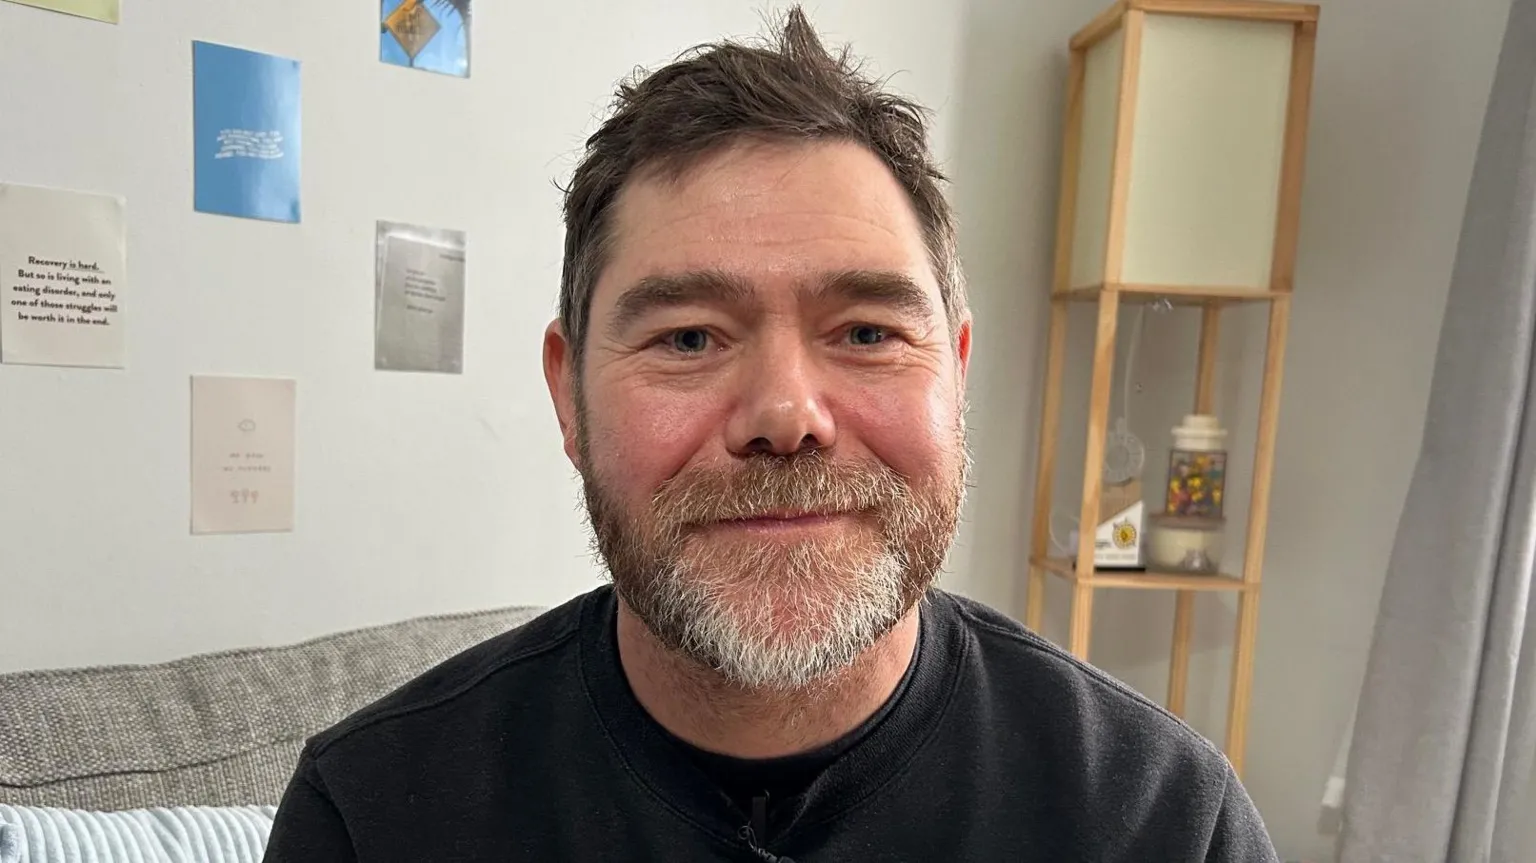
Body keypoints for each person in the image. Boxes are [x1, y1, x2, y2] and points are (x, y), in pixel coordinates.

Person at [261, 8, 1280, 861]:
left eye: (869, 332)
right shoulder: (375, 815)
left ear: (957, 374)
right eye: (691, 335)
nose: (787, 415)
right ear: (569, 396)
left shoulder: (1159, 823)